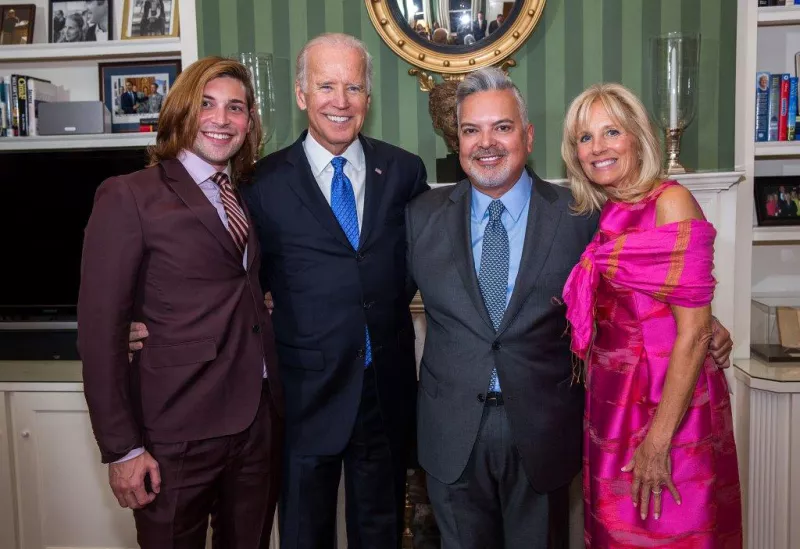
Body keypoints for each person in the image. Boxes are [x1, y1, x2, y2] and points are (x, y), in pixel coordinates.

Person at [406, 68, 732, 549]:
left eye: (502, 126)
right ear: (458, 141)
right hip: (450, 437)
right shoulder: (420, 217)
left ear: (528, 135)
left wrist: (705, 321)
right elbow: (374, 301)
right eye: (471, 130)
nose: (486, 142)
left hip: (544, 435)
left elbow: (641, 278)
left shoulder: (581, 215)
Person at [78, 56, 284, 549]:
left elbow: (237, 282)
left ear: (249, 122)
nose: (221, 118)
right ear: (181, 112)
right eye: (206, 104)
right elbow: (100, 331)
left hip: (256, 423)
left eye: (236, 108)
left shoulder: (242, 195)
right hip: (174, 430)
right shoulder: (130, 195)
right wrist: (122, 449)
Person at [242, 33, 428, 549]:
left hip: (383, 384)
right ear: (302, 95)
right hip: (304, 392)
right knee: (304, 530)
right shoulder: (261, 181)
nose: (340, 102)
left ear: (369, 98)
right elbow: (240, 277)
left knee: (382, 527)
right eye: (326, 86)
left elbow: (416, 261)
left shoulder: (404, 171)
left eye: (353, 87)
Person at [560, 83, 742, 548]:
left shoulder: (670, 201)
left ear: (638, 137)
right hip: (612, 402)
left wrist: (659, 441)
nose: (597, 147)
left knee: (669, 533)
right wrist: (708, 323)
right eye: (585, 138)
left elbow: (692, 331)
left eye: (610, 132)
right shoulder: (609, 210)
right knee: (615, 531)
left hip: (665, 407)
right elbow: (662, 299)